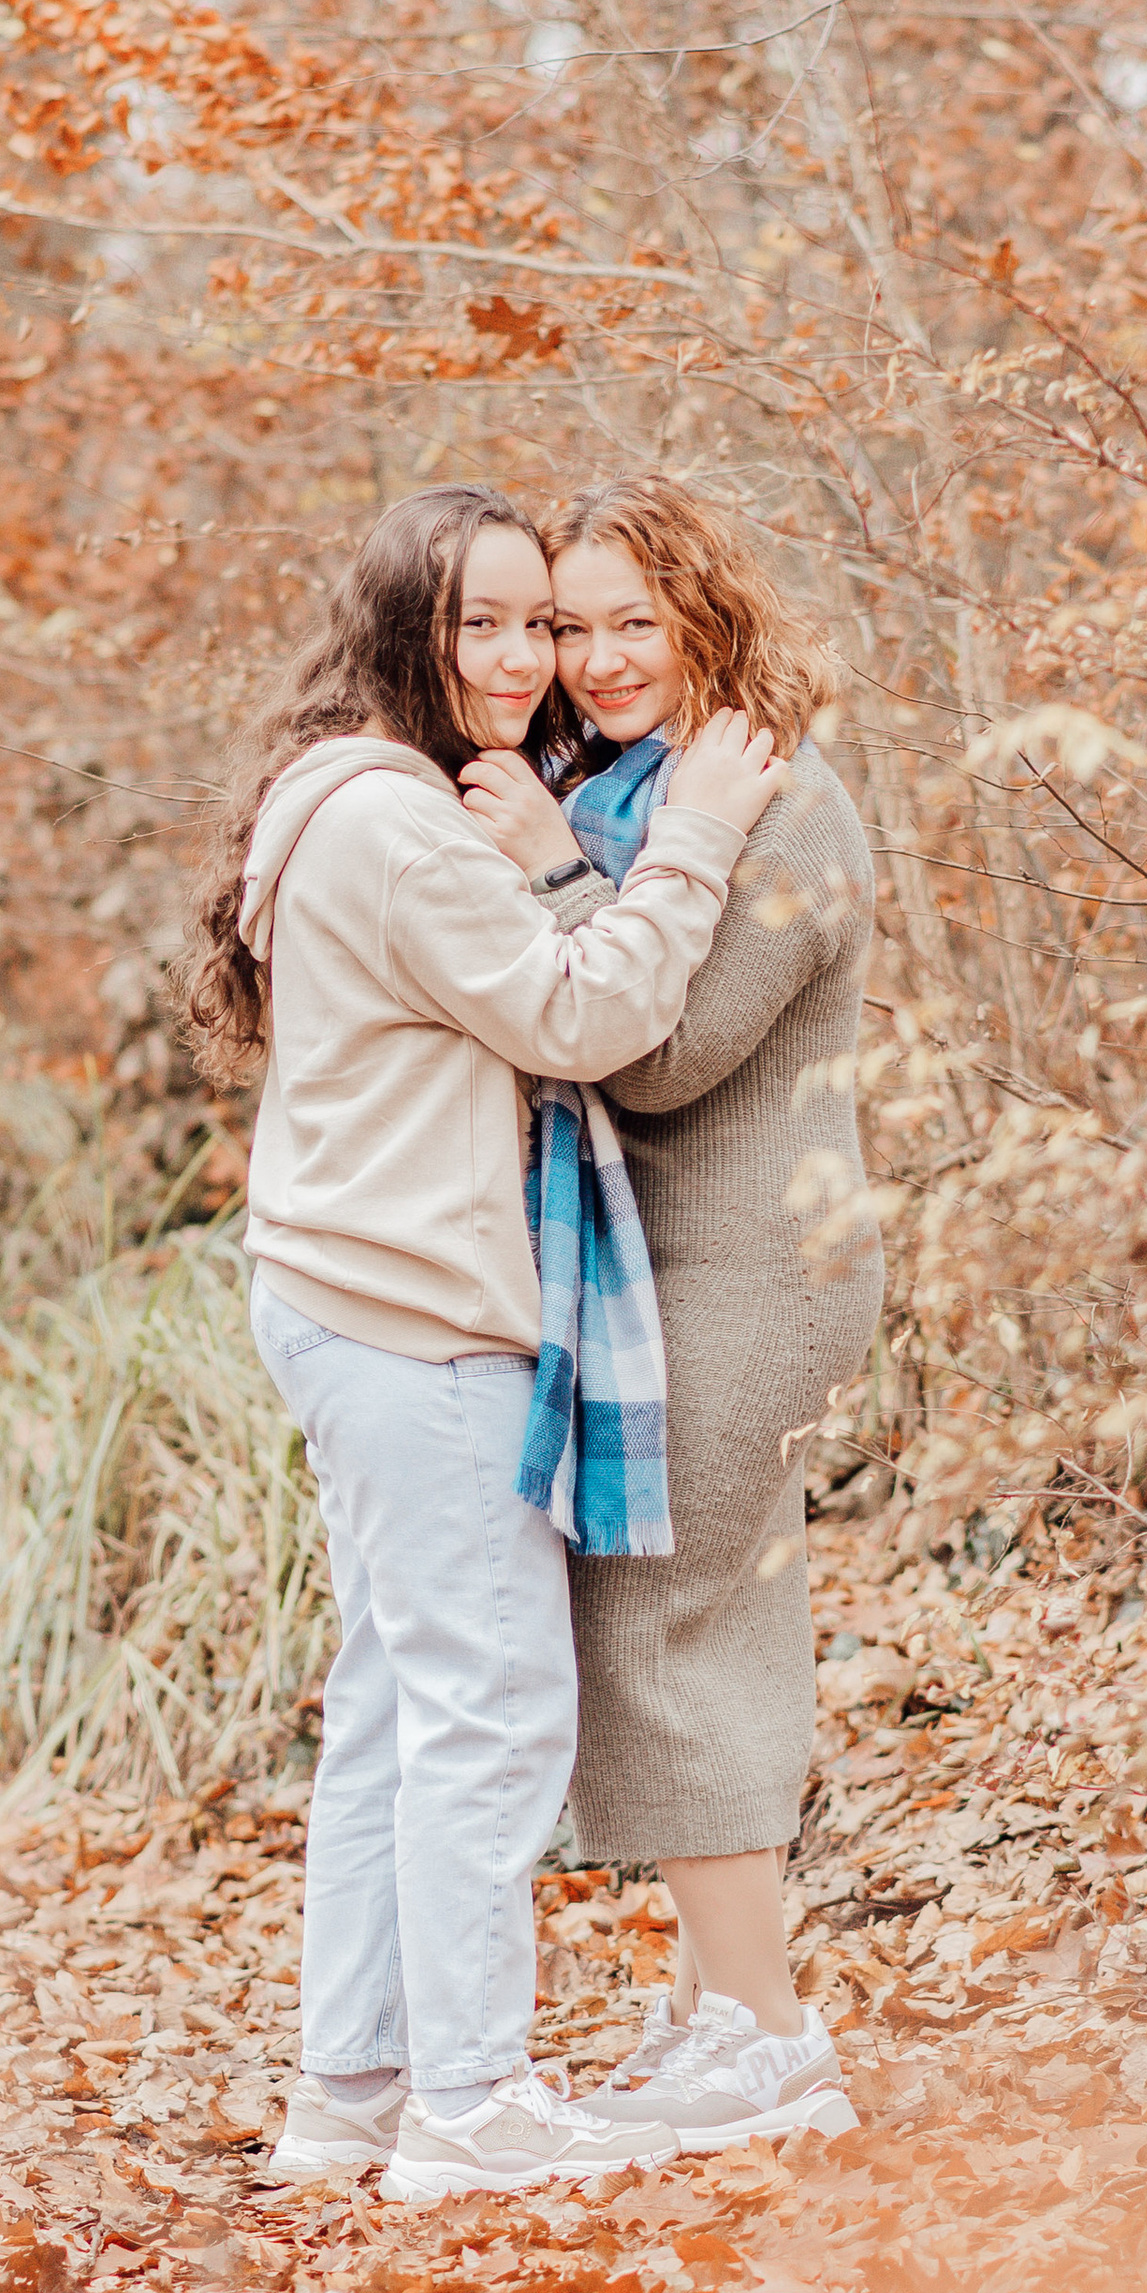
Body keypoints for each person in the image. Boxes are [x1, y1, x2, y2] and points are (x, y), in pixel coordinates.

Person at [181, 482, 785, 2202]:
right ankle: (470, 2097)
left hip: (341, 1292)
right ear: (405, 634)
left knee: (392, 1705)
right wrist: (695, 841)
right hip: (413, 1314)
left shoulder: (340, 787)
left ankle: (353, 2092)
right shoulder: (399, 825)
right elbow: (584, 1012)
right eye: (485, 623)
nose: (526, 657)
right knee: (493, 1709)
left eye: (543, 620)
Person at [464, 474, 880, 2151]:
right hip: (669, 1274)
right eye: (571, 624)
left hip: (756, 1274)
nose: (601, 656)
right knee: (708, 1621)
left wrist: (561, 873)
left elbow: (662, 1049)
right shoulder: (628, 789)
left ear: (708, 611)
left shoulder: (777, 803)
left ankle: (768, 2040)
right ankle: (732, 2005)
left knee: (663, 1627)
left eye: (638, 619)